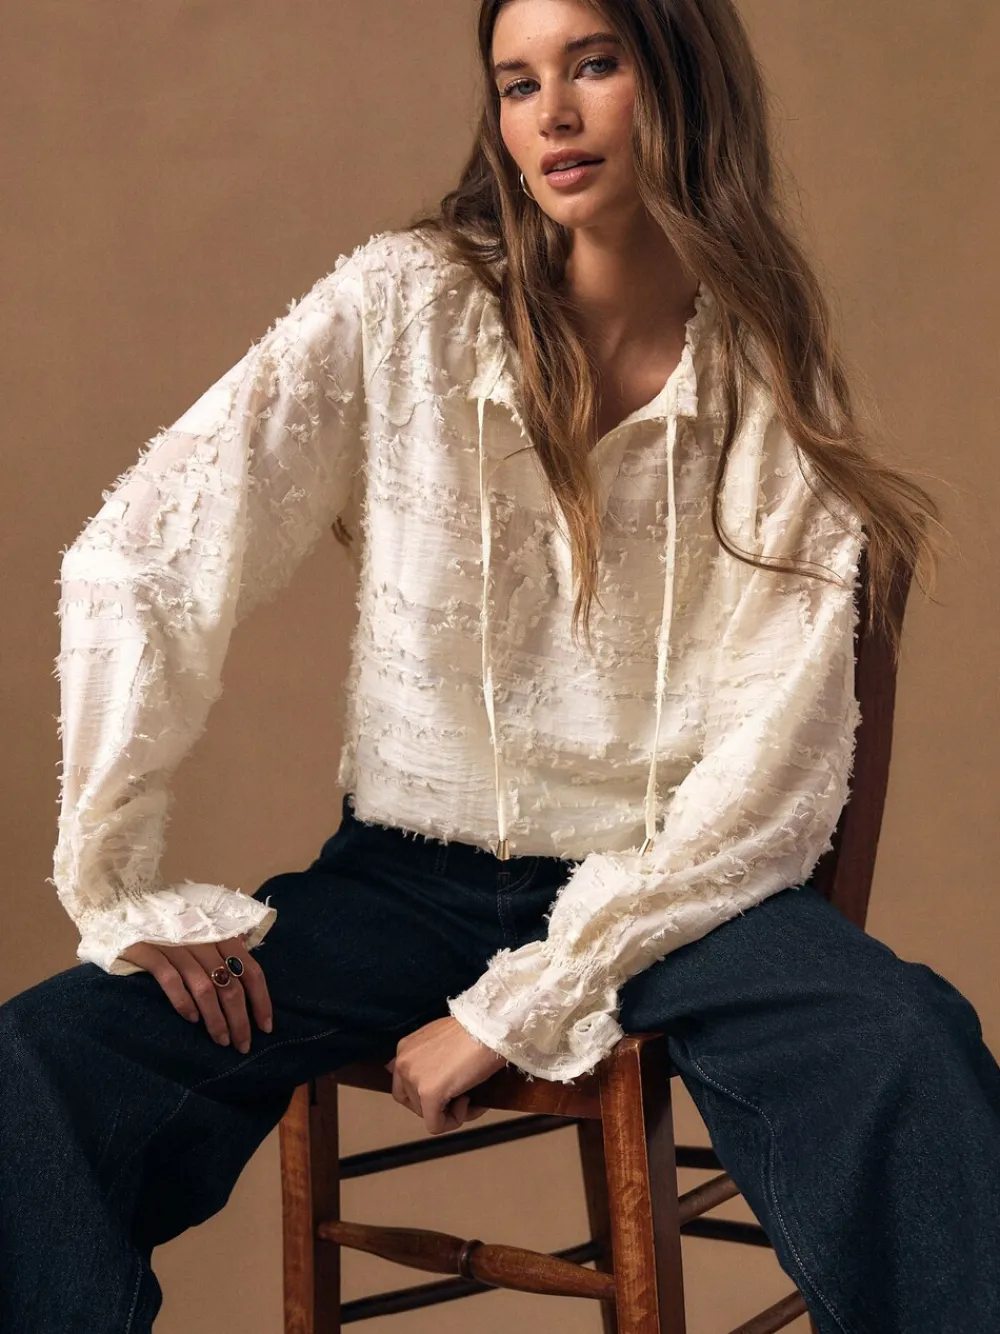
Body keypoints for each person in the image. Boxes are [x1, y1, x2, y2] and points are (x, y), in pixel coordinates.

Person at [2, 0, 997, 1330]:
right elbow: (146, 551)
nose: (555, 115)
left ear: (680, 79)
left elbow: (776, 751)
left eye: (595, 64)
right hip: (402, 880)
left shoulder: (766, 374)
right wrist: (117, 880)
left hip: (677, 893)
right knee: (37, 1068)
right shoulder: (406, 303)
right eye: (519, 83)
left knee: (910, 1043)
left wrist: (532, 995)